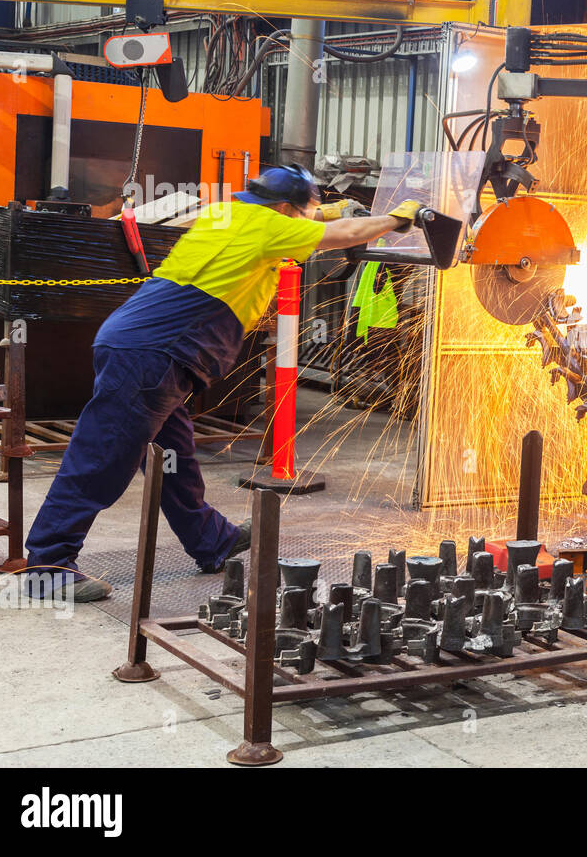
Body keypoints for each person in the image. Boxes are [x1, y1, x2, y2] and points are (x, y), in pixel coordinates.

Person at [25, 164, 411, 601]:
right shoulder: (270, 226)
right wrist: (402, 218)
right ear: (285, 209)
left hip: (146, 348)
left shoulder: (225, 213)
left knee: (175, 458)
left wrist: (327, 210)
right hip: (154, 355)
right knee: (103, 458)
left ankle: (212, 541)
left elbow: (294, 221)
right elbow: (344, 236)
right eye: (303, 213)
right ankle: (49, 563)